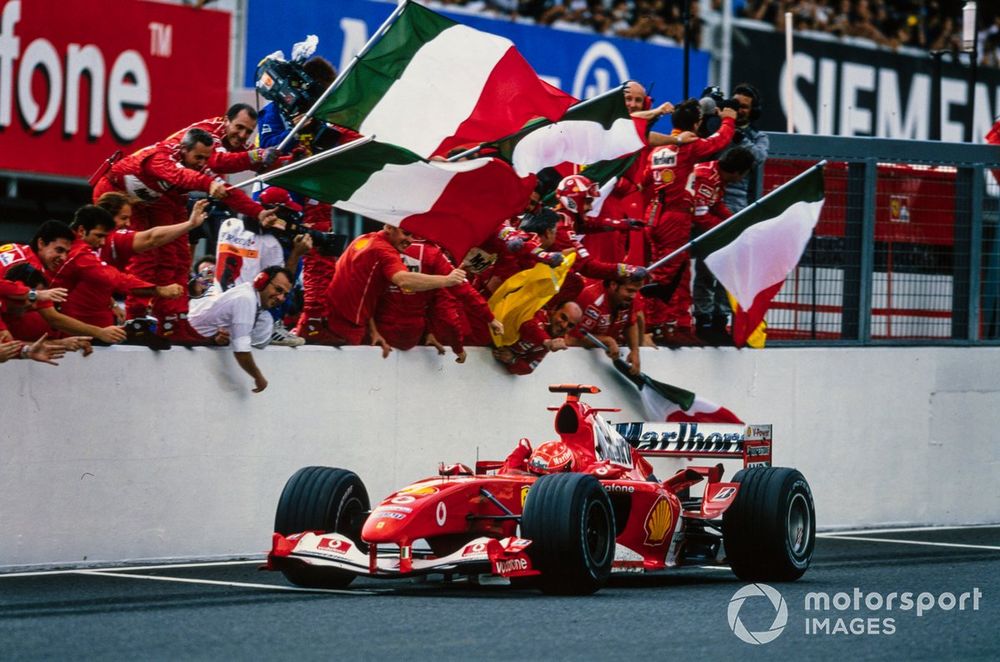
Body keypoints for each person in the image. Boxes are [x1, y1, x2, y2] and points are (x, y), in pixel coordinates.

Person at [94, 128, 276, 338]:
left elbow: (227, 192)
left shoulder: (199, 167)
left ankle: (175, 320)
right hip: (116, 194)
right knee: (144, 260)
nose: (202, 163)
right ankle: (136, 316)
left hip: (156, 200)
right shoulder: (160, 157)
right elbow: (180, 176)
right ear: (183, 150)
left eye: (206, 158)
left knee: (178, 259)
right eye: (198, 157)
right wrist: (209, 184)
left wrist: (259, 212)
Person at [643, 98, 736, 346]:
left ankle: (679, 325)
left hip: (653, 213)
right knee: (666, 273)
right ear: (697, 123)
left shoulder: (659, 148)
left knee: (679, 270)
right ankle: (654, 325)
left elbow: (645, 180)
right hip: (674, 216)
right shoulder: (687, 145)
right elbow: (719, 141)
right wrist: (729, 119)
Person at [692, 83, 770, 343]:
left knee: (731, 269)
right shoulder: (716, 126)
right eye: (734, 104)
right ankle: (702, 319)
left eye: (743, 106)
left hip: (734, 208)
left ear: (753, 110)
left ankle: (720, 320)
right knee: (706, 267)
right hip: (704, 201)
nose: (738, 110)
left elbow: (758, 156)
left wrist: (735, 135)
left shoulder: (757, 136)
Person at [320, 225, 468, 346]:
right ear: (389, 227)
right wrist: (447, 280)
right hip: (345, 326)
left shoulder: (364, 239)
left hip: (332, 316)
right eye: (406, 233)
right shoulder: (384, 251)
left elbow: (366, 293)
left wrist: (373, 331)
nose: (410, 241)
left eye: (413, 236)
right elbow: (404, 281)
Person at [54, 206, 184, 329]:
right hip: (79, 332)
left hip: (86, 329)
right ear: (82, 231)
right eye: (123, 218)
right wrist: (159, 290)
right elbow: (114, 278)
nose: (102, 242)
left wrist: (112, 304)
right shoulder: (78, 253)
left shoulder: (81, 249)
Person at [0, 222, 126, 344]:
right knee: (40, 322)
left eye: (66, 252)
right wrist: (99, 332)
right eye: (59, 250)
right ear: (41, 243)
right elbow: (54, 319)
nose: (63, 258)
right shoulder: (31, 270)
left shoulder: (16, 248)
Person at [188, 265, 294, 393]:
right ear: (261, 281)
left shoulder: (252, 299)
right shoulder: (246, 299)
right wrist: (258, 377)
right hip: (187, 346)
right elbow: (241, 350)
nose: (281, 298)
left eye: (285, 294)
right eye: (278, 289)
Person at [690, 147, 756, 344]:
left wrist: (734, 222)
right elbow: (700, 215)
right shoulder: (706, 175)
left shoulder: (716, 175)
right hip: (681, 230)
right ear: (738, 172)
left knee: (721, 275)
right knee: (705, 275)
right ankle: (703, 324)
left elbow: (715, 204)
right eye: (744, 174)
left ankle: (718, 324)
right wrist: (726, 230)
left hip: (701, 231)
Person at [94, 191, 211, 273]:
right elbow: (152, 238)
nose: (128, 224)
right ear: (107, 216)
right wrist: (190, 224)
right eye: (123, 218)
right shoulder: (114, 239)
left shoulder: (88, 238)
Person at [567, 277, 644, 375]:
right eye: (629, 290)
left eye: (636, 291)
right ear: (613, 285)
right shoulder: (592, 298)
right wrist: (607, 340)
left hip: (601, 361)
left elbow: (630, 323)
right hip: (574, 361)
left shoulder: (627, 299)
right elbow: (571, 339)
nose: (633, 296)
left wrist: (634, 350)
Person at [492, 301, 583, 375]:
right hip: (488, 336)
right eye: (563, 317)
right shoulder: (540, 314)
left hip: (492, 353)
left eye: (570, 325)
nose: (564, 325)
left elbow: (529, 368)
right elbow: (527, 326)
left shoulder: (556, 337)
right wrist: (547, 342)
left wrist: (512, 360)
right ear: (554, 310)